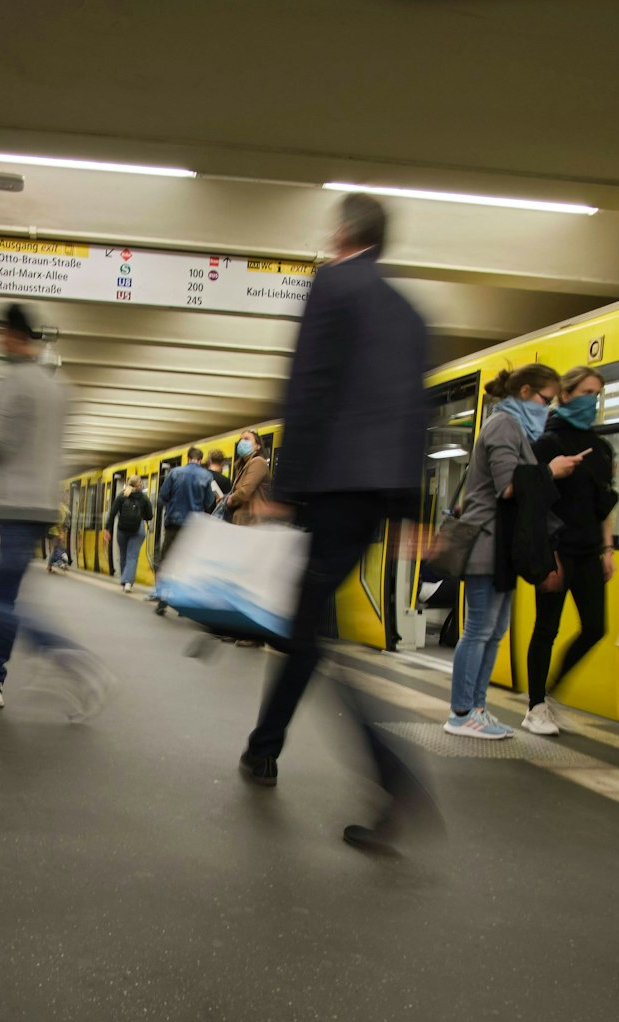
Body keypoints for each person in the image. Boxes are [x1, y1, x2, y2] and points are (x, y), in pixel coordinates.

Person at [236, 192, 431, 850]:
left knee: (310, 631)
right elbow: (415, 415)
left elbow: (310, 383)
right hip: (373, 495)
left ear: (343, 231)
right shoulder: (409, 313)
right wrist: (407, 510)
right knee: (309, 623)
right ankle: (263, 748)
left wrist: (282, 489)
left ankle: (390, 774)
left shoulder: (333, 283)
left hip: (329, 487)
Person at [0, 303, 112, 716]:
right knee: (4, 596)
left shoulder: (16, 381)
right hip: (42, 507)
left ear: (13, 335)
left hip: (12, 508)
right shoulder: (60, 388)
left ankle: (67, 654)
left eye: (0, 335)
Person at [449, 364, 589, 740]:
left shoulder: (515, 429)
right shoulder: (503, 426)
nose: (548, 408)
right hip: (485, 540)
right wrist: (551, 471)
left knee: (494, 631)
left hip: (503, 543)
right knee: (479, 629)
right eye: (546, 399)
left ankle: (477, 707)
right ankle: (461, 711)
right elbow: (508, 486)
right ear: (525, 392)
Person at [521, 367, 618, 735]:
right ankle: (535, 706)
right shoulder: (545, 443)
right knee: (547, 627)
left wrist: (607, 549)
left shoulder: (602, 448)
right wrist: (545, 551)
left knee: (595, 627)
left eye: (598, 394)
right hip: (556, 549)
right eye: (586, 392)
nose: (592, 401)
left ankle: (550, 691)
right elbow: (533, 498)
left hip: (589, 550)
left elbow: (603, 505)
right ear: (565, 395)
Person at [153, 447, 218, 615]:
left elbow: (163, 495)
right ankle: (183, 606)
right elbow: (209, 502)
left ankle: (162, 600)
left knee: (167, 562)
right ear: (200, 459)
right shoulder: (207, 476)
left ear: (188, 458)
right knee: (187, 564)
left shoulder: (175, 473)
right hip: (193, 525)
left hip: (173, 522)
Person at [105, 476, 153, 592]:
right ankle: (128, 582)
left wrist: (107, 529)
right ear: (139, 484)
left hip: (122, 529)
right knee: (132, 556)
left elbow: (112, 513)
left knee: (123, 555)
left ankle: (124, 578)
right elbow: (150, 515)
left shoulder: (121, 496)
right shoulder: (143, 497)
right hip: (138, 529)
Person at [221, 431, 271, 525]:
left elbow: (244, 492)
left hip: (252, 522)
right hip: (244, 520)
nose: (242, 442)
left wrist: (231, 499)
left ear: (258, 446)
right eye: (241, 439)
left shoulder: (258, 462)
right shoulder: (243, 466)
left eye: (247, 439)